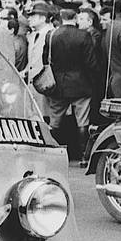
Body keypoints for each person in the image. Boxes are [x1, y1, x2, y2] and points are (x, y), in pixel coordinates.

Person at [48, 9, 98, 159]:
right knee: (82, 121)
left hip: (57, 85)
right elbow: (91, 63)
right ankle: (84, 156)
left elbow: (46, 60)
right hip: (80, 85)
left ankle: (52, 154)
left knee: (55, 121)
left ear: (61, 18)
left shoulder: (51, 35)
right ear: (75, 18)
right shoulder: (84, 35)